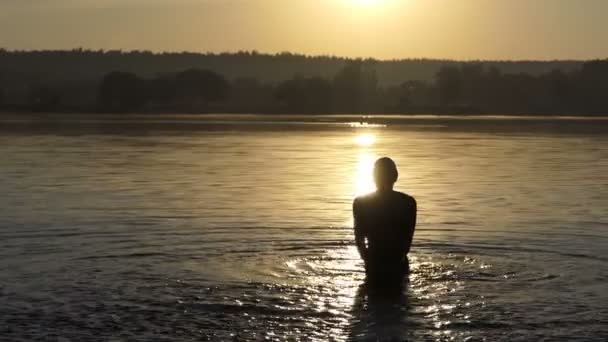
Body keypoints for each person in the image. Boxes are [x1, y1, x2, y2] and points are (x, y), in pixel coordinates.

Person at [353, 157, 417, 285]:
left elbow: (359, 238)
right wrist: (397, 258)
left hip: (374, 261)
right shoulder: (408, 202)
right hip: (398, 262)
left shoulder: (361, 203)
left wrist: (367, 260)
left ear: (373, 177)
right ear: (395, 177)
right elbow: (407, 239)